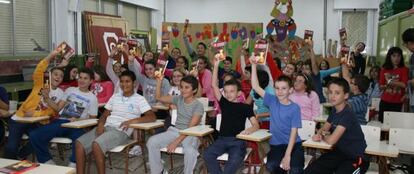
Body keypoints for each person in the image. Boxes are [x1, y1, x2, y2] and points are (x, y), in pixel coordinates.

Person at [75, 71, 156, 174]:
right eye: (122, 81)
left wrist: (132, 121)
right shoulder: (115, 96)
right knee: (79, 144)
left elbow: (152, 116)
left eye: (127, 81)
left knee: (96, 145)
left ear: (134, 83)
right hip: (106, 127)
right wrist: (100, 125)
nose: (124, 84)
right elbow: (104, 114)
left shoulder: (139, 99)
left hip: (121, 131)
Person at [203, 52, 259, 174]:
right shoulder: (224, 103)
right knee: (207, 155)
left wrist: (250, 130)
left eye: (232, 91)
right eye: (226, 91)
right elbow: (214, 85)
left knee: (232, 163)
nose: (228, 94)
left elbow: (256, 125)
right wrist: (216, 66)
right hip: (222, 140)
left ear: (239, 93)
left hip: (238, 141)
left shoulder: (245, 107)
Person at [29, 68, 98, 167]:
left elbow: (93, 118)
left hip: (77, 126)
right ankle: (47, 161)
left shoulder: (92, 98)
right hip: (61, 122)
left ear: (91, 81)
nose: (81, 80)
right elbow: (57, 108)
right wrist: (47, 98)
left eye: (85, 78)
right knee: (35, 135)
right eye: (80, 77)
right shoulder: (70, 90)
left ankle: (73, 164)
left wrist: (78, 120)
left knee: (79, 141)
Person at [4, 50, 66, 160]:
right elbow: (39, 70)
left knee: (38, 139)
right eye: (55, 74)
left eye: (61, 76)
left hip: (36, 122)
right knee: (11, 147)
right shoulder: (41, 84)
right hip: (19, 119)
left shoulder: (61, 93)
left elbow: (52, 111)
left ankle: (20, 156)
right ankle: (7, 167)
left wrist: (36, 113)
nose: (58, 77)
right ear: (50, 75)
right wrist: (50, 56)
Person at [304, 78, 369, 174]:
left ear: (346, 95)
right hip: (339, 153)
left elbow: (331, 140)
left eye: (337, 93)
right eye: (330, 92)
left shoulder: (348, 114)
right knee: (310, 171)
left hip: (356, 158)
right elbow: (324, 128)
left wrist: (322, 136)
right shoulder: (334, 110)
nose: (332, 96)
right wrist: (319, 133)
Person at [251, 60, 304, 174]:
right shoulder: (271, 100)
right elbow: (255, 86)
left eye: (284, 88)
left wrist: (287, 155)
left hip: (294, 145)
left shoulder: (295, 108)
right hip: (277, 145)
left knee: (295, 169)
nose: (280, 91)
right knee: (271, 165)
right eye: (277, 88)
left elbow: (294, 133)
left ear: (290, 90)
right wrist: (254, 65)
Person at [147, 75, 204, 174]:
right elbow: (158, 97)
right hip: (175, 131)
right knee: (151, 142)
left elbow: (190, 128)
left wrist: (176, 142)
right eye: (181, 87)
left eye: (187, 87)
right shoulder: (178, 99)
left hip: (191, 134)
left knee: (190, 152)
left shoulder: (198, 105)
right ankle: (159, 171)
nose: (183, 90)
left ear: (194, 90)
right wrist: (159, 81)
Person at [378, 47, 408, 122]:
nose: (396, 58)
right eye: (394, 56)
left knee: (394, 125)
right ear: (389, 57)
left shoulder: (404, 69)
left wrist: (391, 82)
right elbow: (380, 87)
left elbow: (404, 84)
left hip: (397, 102)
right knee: (382, 123)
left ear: (401, 57)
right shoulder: (384, 69)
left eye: (398, 56)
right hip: (384, 101)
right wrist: (386, 86)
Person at [402, 28, 414, 112]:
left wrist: (408, 82)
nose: (406, 46)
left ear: (410, 43)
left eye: (405, 44)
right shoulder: (412, 56)